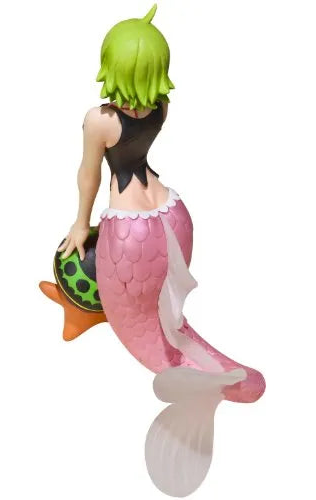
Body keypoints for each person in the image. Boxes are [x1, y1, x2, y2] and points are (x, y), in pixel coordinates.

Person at [56, 5, 265, 496]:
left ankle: (213, 383)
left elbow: (89, 175)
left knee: (143, 332)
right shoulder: (162, 107)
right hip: (173, 216)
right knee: (170, 317)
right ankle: (222, 370)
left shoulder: (99, 120)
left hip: (131, 234)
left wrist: (81, 226)